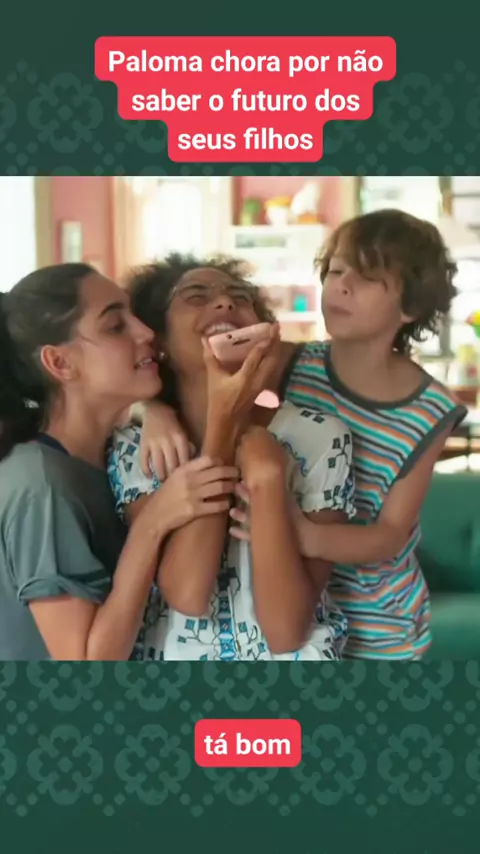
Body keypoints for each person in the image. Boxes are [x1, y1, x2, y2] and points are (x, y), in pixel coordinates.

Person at [140, 211, 467, 660]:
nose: (342, 286)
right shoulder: (290, 361)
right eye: (336, 271)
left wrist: (303, 535)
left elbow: (391, 534)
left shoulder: (432, 408)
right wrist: (151, 410)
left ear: (410, 307)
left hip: (378, 624)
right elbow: (196, 381)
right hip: (292, 598)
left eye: (366, 278)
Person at [107, 254, 356, 661]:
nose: (225, 303)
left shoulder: (320, 437)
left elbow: (286, 633)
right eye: (196, 296)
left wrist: (268, 478)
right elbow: (188, 594)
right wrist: (221, 430)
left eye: (240, 298)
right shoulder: (138, 447)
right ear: (160, 343)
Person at [0, 263, 246, 661]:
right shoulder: (40, 486)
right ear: (60, 363)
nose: (145, 332)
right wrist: (152, 524)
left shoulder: (107, 454)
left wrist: (152, 408)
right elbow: (86, 668)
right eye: (115, 327)